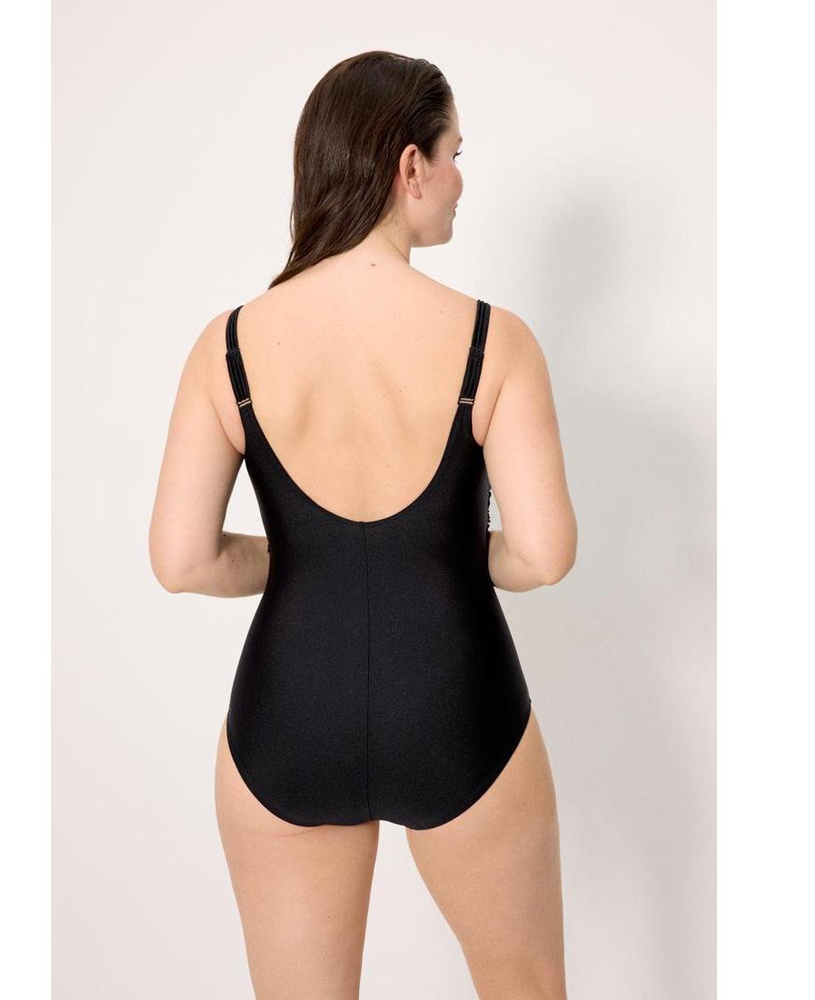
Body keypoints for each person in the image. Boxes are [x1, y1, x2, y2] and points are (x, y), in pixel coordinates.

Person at [149, 50, 577, 1000]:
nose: (461, 180)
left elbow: (181, 560)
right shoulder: (494, 340)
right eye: (455, 153)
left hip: (287, 715)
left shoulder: (229, 344)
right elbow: (545, 554)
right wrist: (442, 555)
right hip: (457, 704)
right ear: (409, 166)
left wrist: (311, 560)